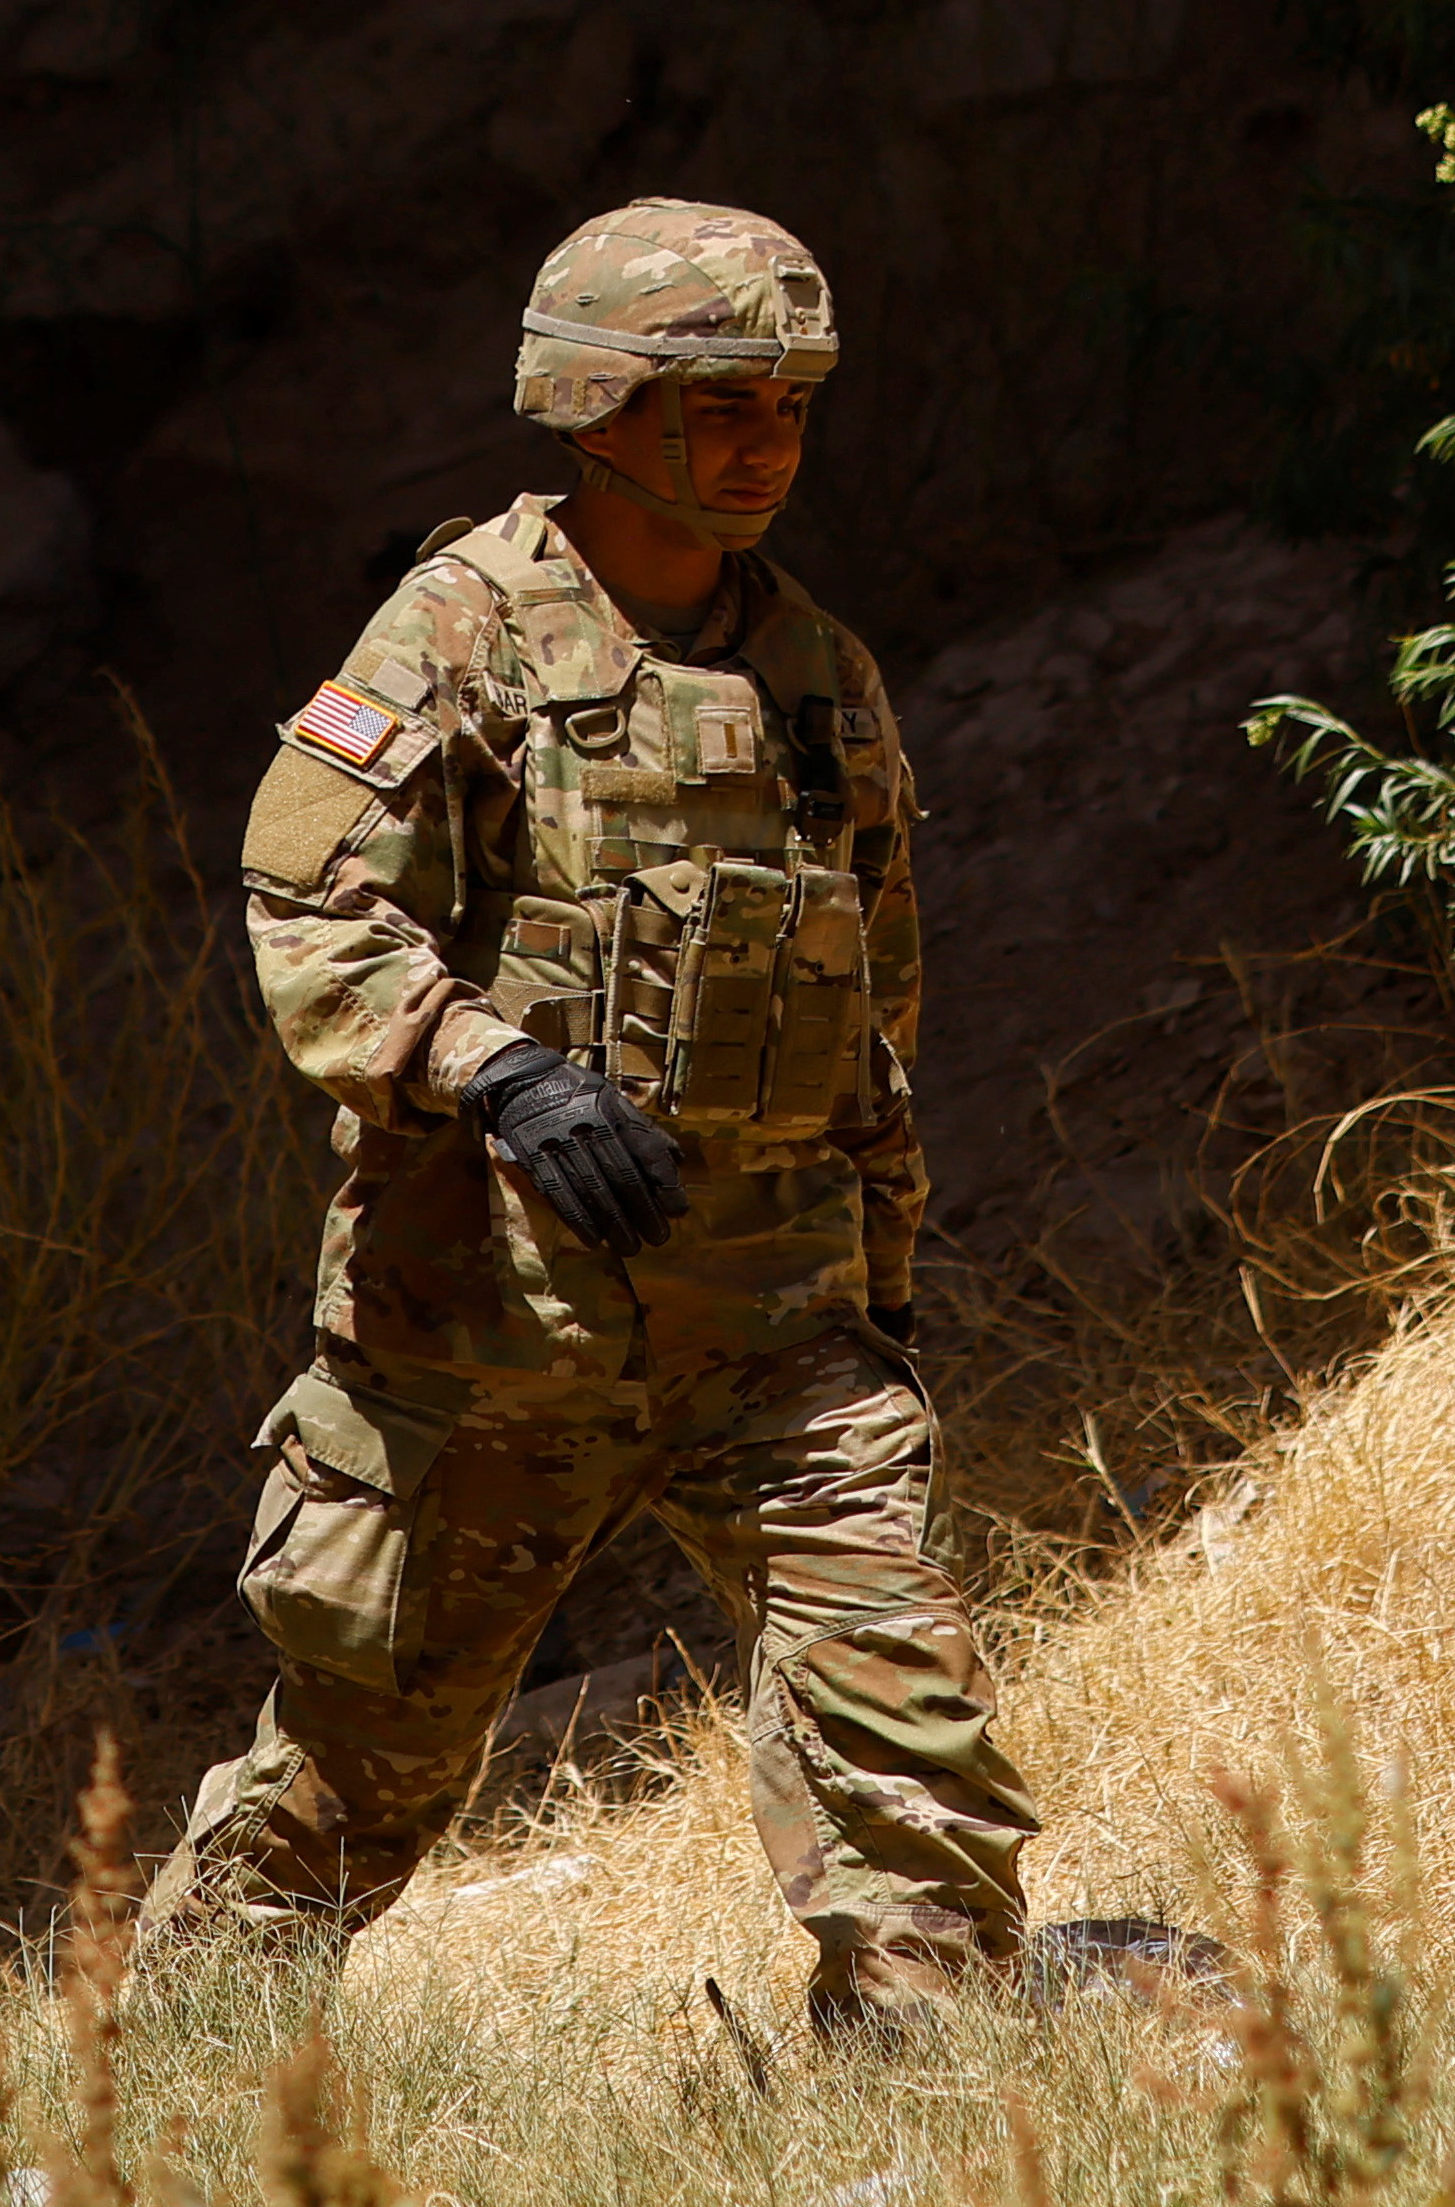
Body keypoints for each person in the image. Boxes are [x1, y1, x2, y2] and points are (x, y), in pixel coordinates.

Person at [143, 203, 1041, 2022]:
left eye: (790, 403)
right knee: (342, 1802)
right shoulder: (462, 633)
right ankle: (164, 2117)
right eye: (721, 405)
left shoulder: (821, 682)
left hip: (778, 1338)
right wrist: (495, 1069)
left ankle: (926, 2122)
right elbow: (312, 908)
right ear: (598, 407)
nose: (766, 442)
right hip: (486, 1340)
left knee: (911, 1745)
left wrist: (880, 1276)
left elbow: (875, 1008)